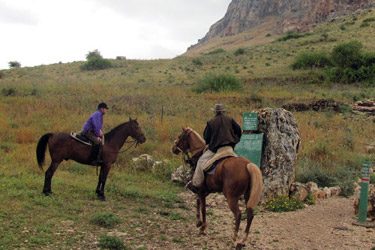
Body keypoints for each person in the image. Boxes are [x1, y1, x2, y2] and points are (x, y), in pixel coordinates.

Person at [186, 102, 242, 193]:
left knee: (201, 162)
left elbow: (206, 138)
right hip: (229, 148)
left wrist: (211, 142)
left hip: (217, 150)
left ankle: (196, 184)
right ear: (223, 111)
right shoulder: (230, 119)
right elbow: (238, 130)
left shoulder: (211, 122)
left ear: (215, 112)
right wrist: (235, 139)